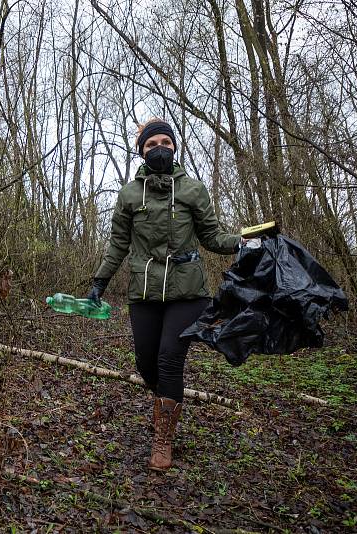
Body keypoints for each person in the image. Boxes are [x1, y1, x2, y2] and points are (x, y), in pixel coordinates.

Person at [87, 118, 242, 470]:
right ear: (141, 150)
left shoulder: (193, 190)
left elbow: (214, 238)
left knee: (170, 358)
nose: (160, 148)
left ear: (175, 148)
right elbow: (117, 245)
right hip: (144, 291)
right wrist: (99, 281)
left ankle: (163, 438)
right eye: (152, 143)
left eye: (167, 143)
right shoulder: (129, 195)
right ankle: (167, 406)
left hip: (188, 292)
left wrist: (245, 240)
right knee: (146, 363)